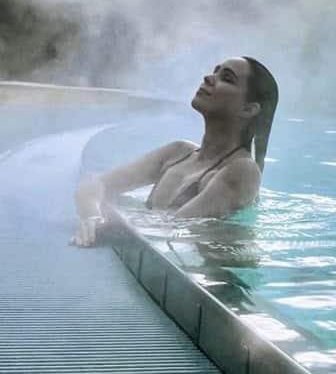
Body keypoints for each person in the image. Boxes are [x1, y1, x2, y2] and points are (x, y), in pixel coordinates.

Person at [72, 56, 278, 247]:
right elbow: (93, 185)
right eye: (215, 71)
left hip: (212, 272)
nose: (209, 78)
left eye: (226, 78)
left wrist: (111, 219)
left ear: (248, 109)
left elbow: (175, 226)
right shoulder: (178, 153)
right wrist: (93, 217)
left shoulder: (243, 171)